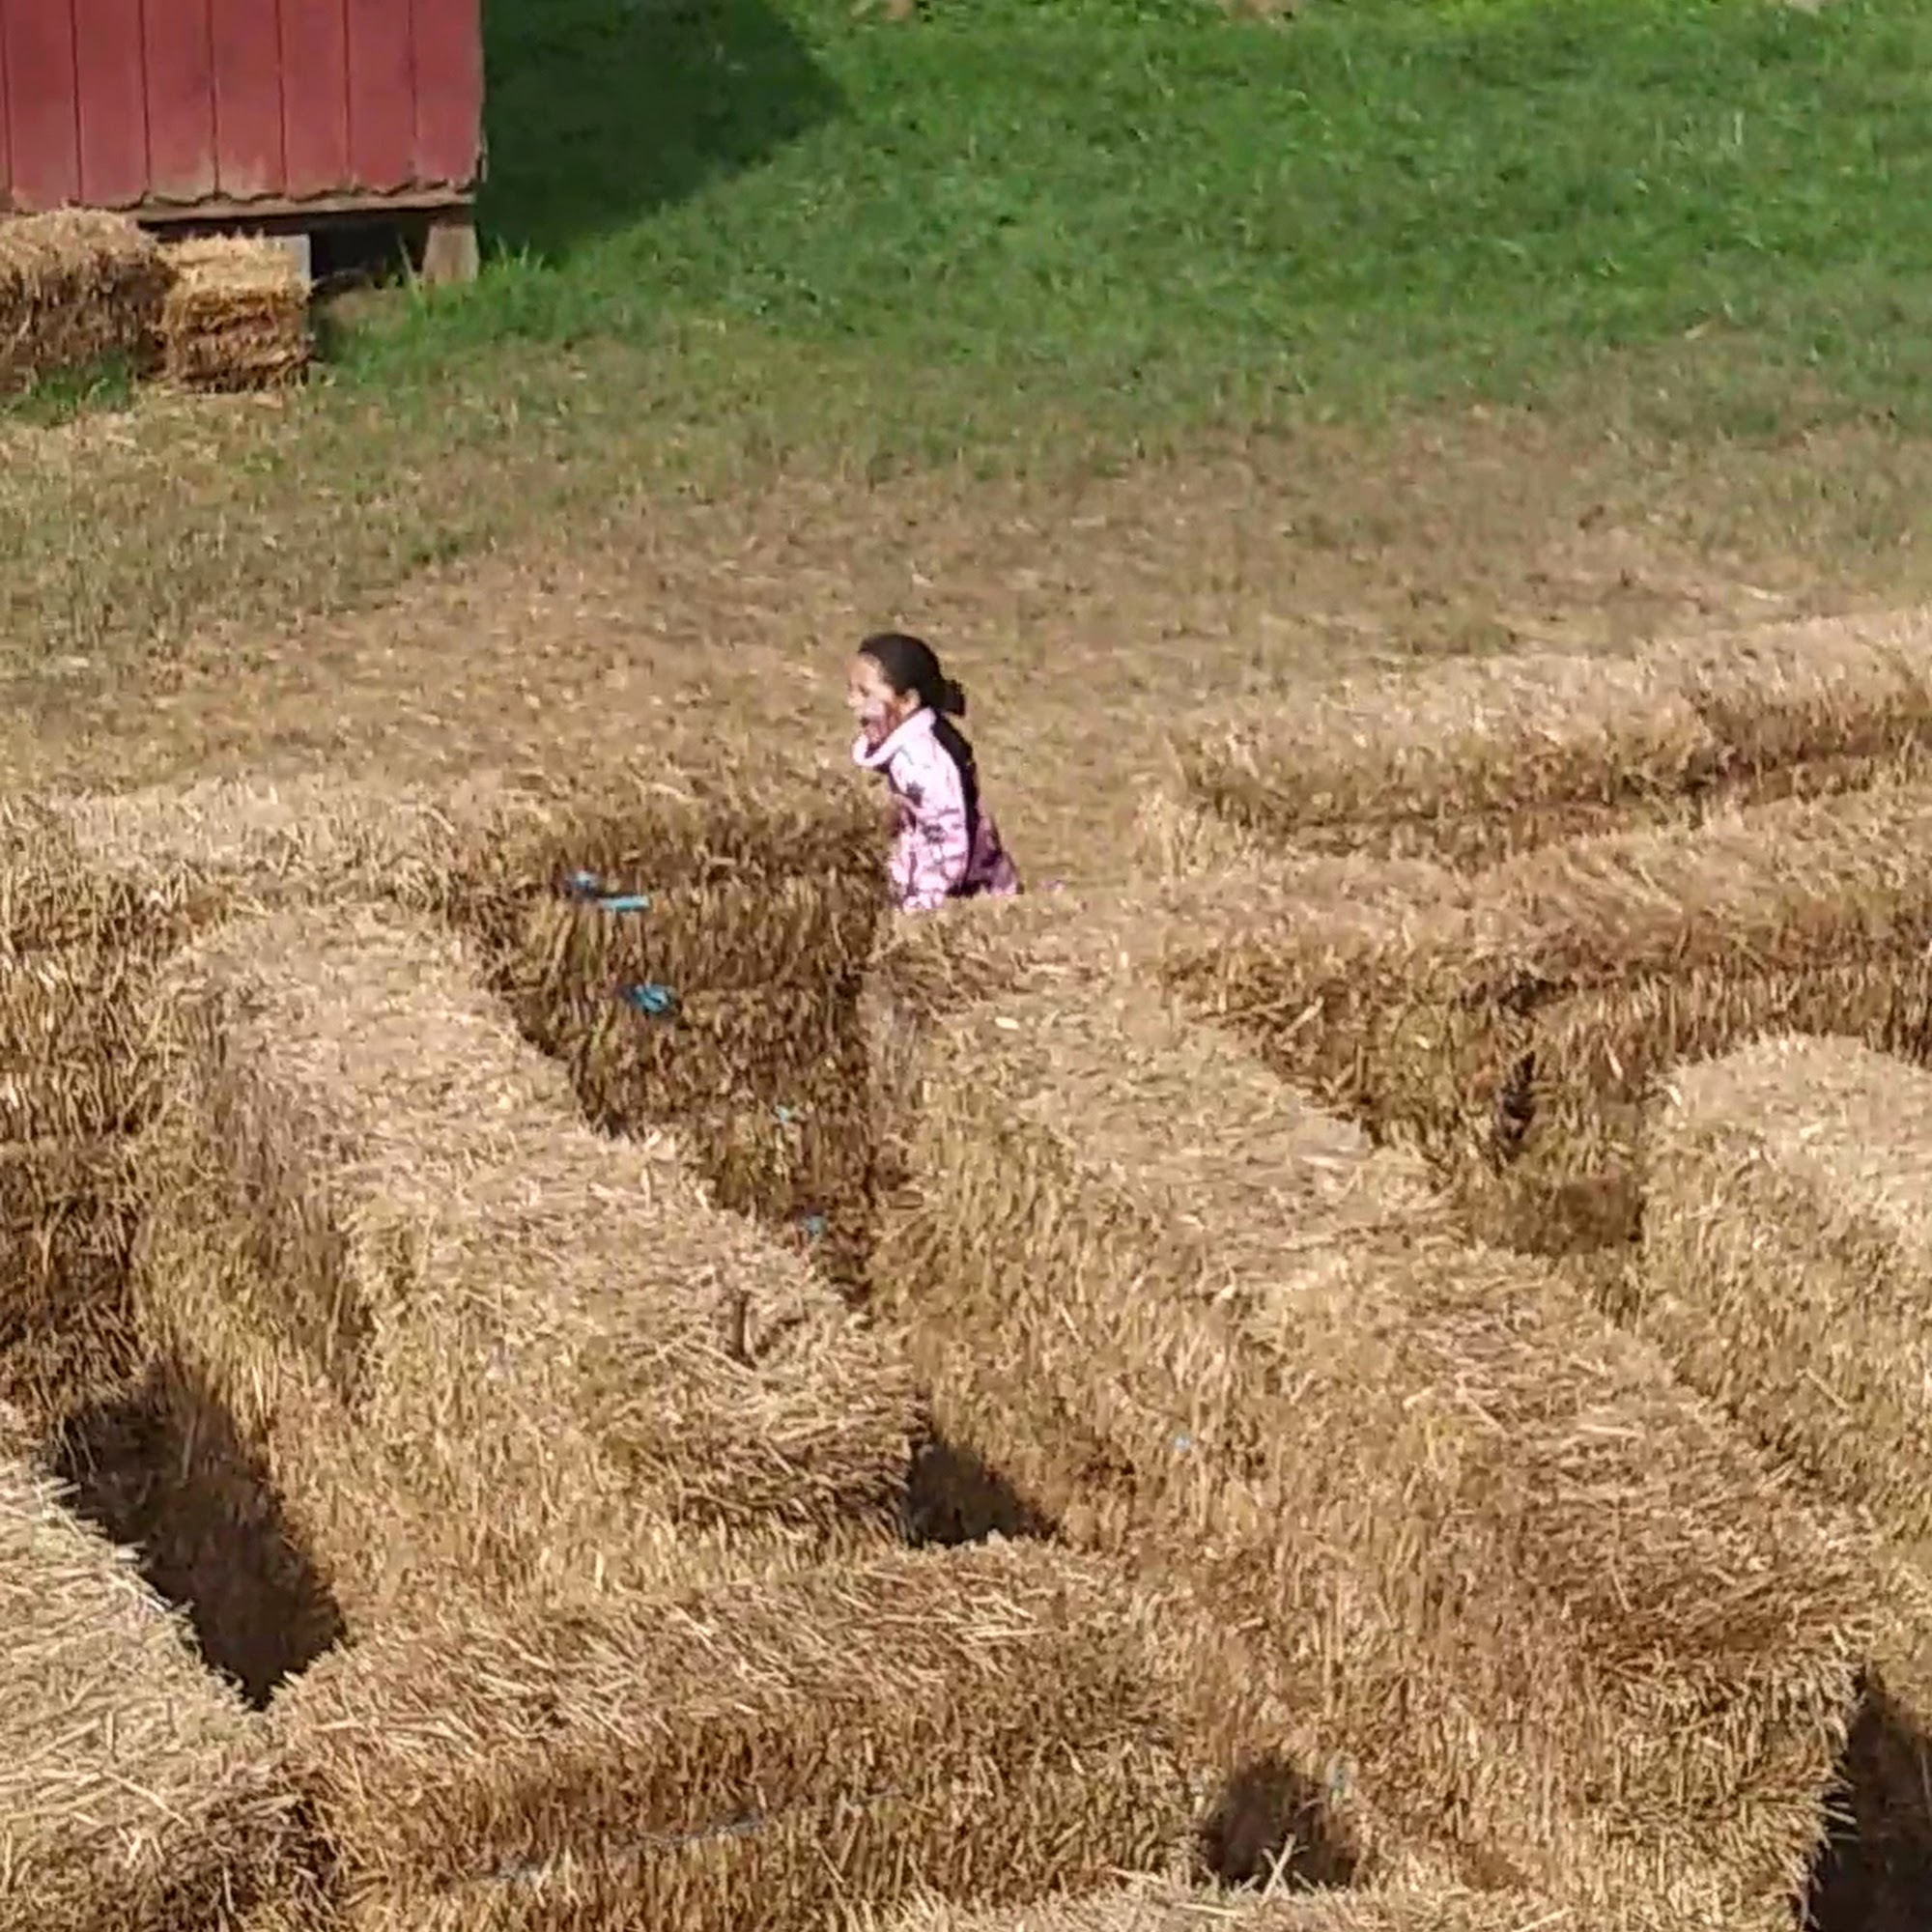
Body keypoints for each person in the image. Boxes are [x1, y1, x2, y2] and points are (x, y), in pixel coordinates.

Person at [847, 632, 1021, 914]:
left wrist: (918, 910)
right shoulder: (906, 749)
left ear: (907, 702)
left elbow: (948, 847)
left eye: (865, 693)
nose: (852, 702)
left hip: (964, 897)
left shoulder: (922, 767)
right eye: (851, 690)